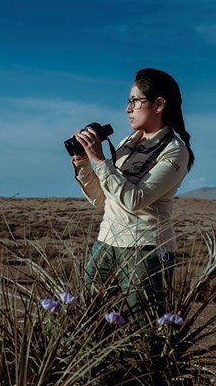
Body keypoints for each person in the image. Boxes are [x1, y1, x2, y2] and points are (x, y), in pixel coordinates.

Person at [71, 68, 194, 324]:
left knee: (144, 324)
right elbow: (103, 199)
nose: (128, 108)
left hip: (144, 248)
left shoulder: (175, 151)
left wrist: (99, 160)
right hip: (106, 242)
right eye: (129, 101)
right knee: (90, 318)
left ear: (159, 104)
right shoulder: (127, 142)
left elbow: (135, 200)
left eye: (135, 101)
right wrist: (84, 163)